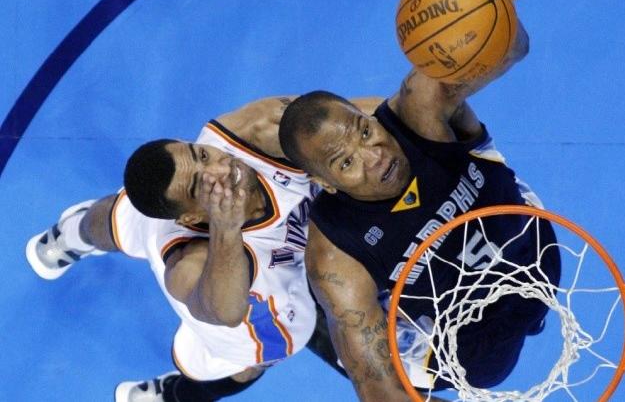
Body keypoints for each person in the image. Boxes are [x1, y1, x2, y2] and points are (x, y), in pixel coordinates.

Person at [277, 18, 561, 400]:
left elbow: (516, 46)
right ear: (325, 183)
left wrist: (491, 11)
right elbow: (376, 386)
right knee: (350, 331)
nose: (374, 156)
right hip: (466, 346)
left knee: (531, 315)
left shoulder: (420, 109)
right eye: (346, 162)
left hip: (534, 257)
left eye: (365, 131)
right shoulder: (335, 256)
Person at [25, 97, 380, 402]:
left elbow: (359, 115)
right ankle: (72, 236)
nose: (220, 168)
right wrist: (226, 227)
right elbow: (224, 311)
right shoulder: (188, 261)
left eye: (202, 155)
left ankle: (76, 231)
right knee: (250, 360)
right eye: (200, 183)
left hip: (295, 252)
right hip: (240, 292)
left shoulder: (252, 131)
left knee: (121, 212)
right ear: (191, 217)